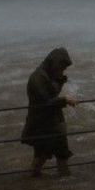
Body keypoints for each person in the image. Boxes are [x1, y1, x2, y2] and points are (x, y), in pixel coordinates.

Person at [21, 47, 79, 177]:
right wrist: (65, 100)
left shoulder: (46, 75)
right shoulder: (38, 78)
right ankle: (66, 182)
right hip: (44, 124)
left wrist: (60, 79)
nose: (63, 70)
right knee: (50, 154)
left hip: (50, 122)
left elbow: (50, 96)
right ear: (54, 63)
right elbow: (45, 103)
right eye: (62, 67)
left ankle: (34, 182)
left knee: (45, 154)